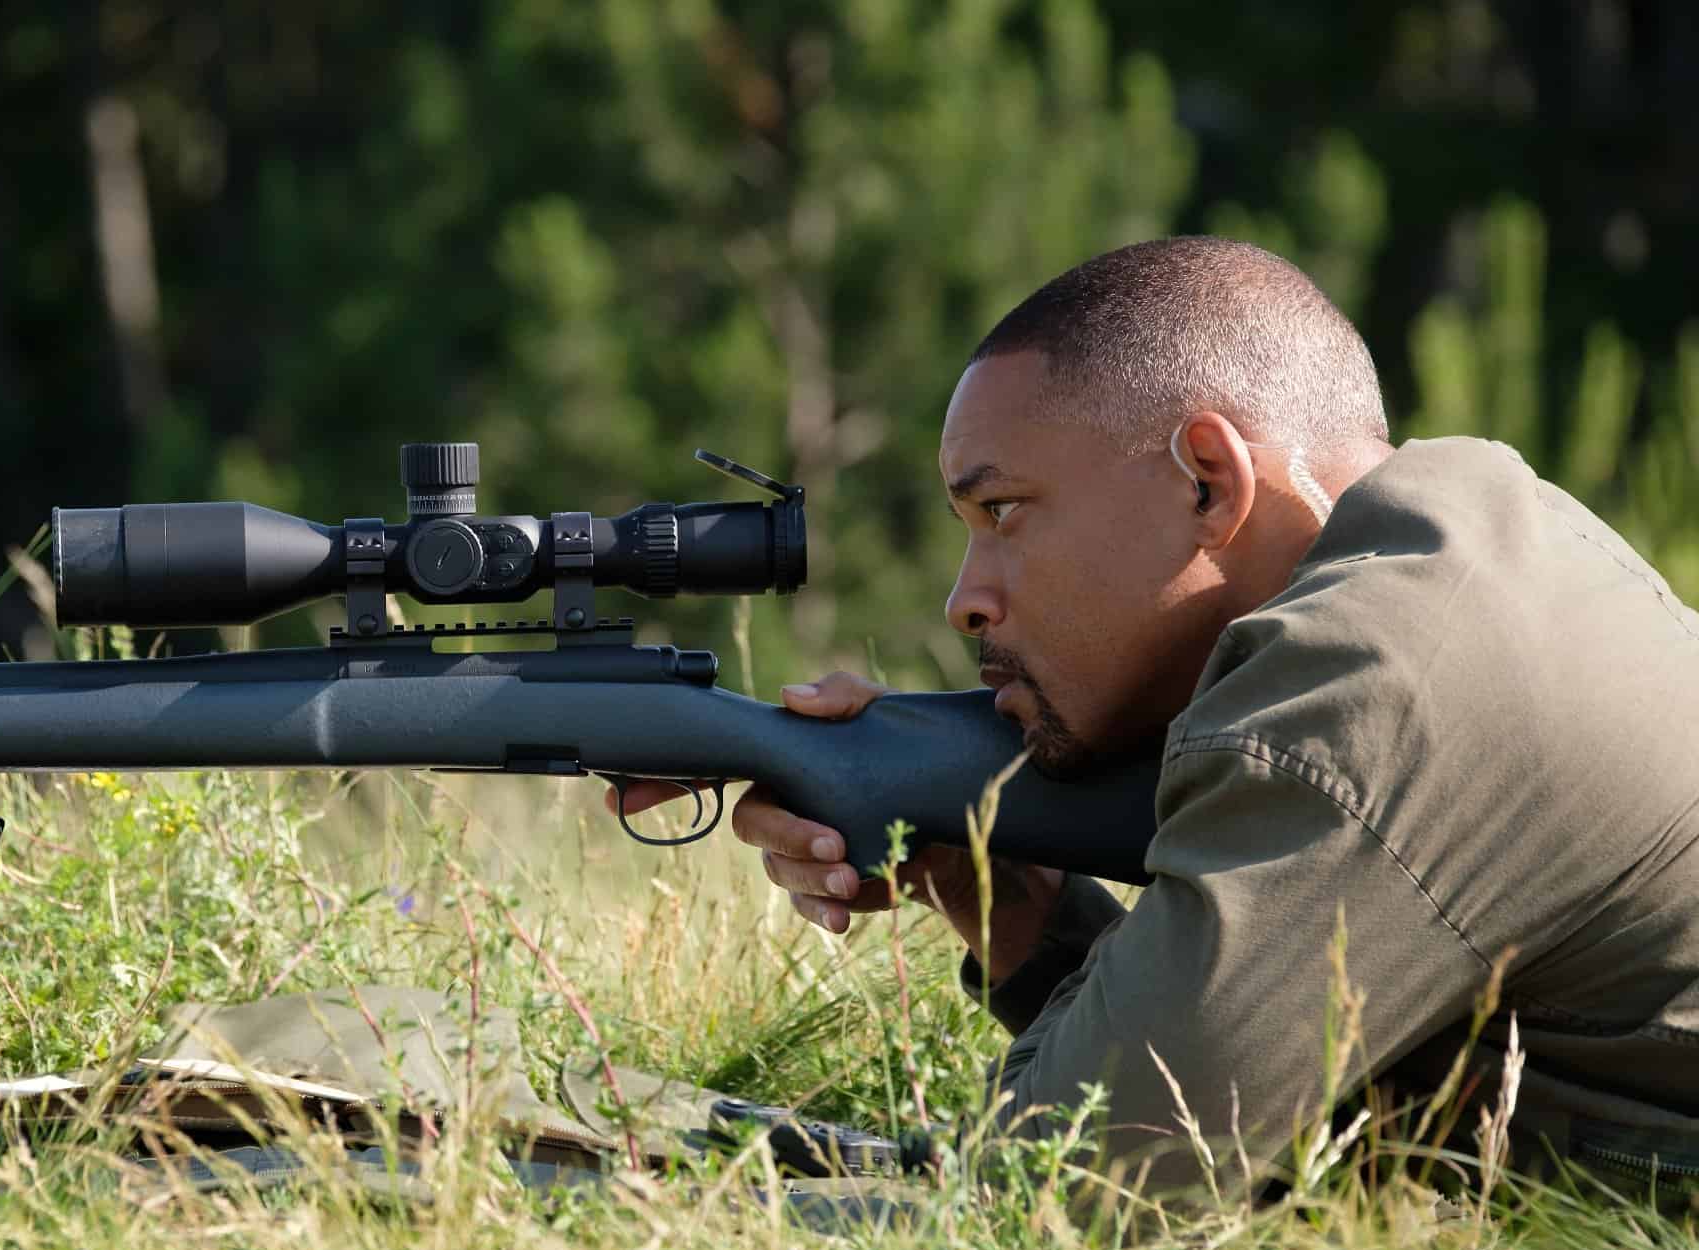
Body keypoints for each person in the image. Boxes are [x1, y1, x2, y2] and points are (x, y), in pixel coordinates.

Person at [612, 236, 1699, 1199]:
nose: (965, 599)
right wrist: (1001, 894)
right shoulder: (1489, 539)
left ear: (1208, 481)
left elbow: (1073, 1184)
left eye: (1002, 510)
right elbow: (1285, 1103)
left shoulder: (1374, 690)